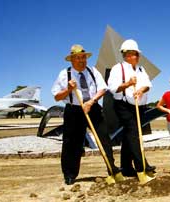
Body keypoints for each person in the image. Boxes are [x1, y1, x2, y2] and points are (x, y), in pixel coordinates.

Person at [51, 44, 121, 185]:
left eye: (83, 57)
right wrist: (68, 90)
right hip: (74, 110)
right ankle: (70, 174)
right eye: (78, 58)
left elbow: (103, 88)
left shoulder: (92, 70)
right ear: (72, 60)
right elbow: (56, 97)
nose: (82, 60)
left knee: (104, 138)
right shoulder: (65, 74)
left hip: (93, 107)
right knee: (72, 143)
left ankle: (112, 169)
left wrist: (91, 102)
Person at [107, 39, 156, 177]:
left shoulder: (141, 69)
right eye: (129, 54)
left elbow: (147, 84)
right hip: (123, 105)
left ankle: (126, 167)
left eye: (135, 54)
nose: (133, 57)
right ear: (125, 55)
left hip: (139, 106)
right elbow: (112, 88)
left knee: (129, 136)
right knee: (134, 134)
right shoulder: (118, 68)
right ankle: (142, 166)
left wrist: (141, 90)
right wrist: (128, 84)